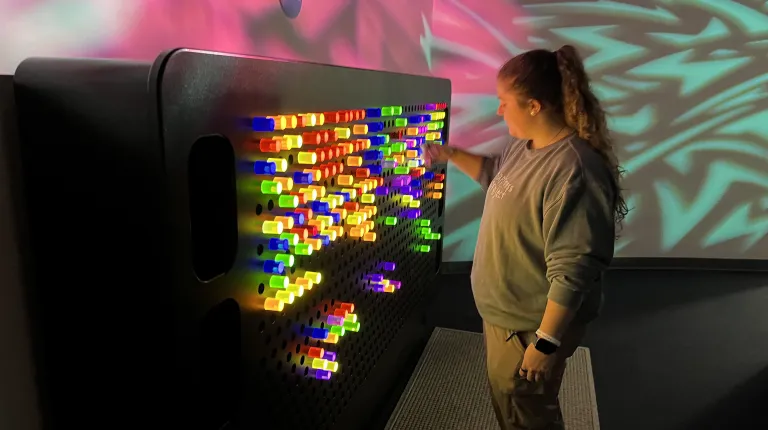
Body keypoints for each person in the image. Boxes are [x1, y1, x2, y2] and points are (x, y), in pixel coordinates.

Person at [424, 45, 628, 430]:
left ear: (534, 106)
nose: (499, 110)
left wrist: (546, 342)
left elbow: (573, 270)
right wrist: (449, 154)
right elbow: (494, 175)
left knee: (526, 413)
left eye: (505, 102)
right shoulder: (524, 147)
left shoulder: (575, 171)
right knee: (511, 404)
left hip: (529, 327)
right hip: (506, 317)